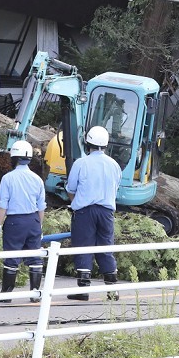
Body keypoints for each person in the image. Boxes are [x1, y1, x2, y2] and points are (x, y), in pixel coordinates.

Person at [64, 126, 122, 302]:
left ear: (87, 142)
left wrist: (75, 204)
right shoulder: (114, 165)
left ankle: (83, 290)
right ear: (106, 144)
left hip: (85, 211)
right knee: (105, 247)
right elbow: (116, 188)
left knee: (84, 246)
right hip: (106, 212)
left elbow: (71, 188)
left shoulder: (81, 163)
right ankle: (112, 290)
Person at [0, 140, 46, 303]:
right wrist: (40, 225)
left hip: (15, 222)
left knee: (12, 257)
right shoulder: (37, 179)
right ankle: (35, 294)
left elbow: (3, 205)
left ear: (14, 158)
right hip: (33, 220)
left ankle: (7, 294)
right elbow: (41, 206)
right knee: (35, 257)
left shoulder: (8, 178)